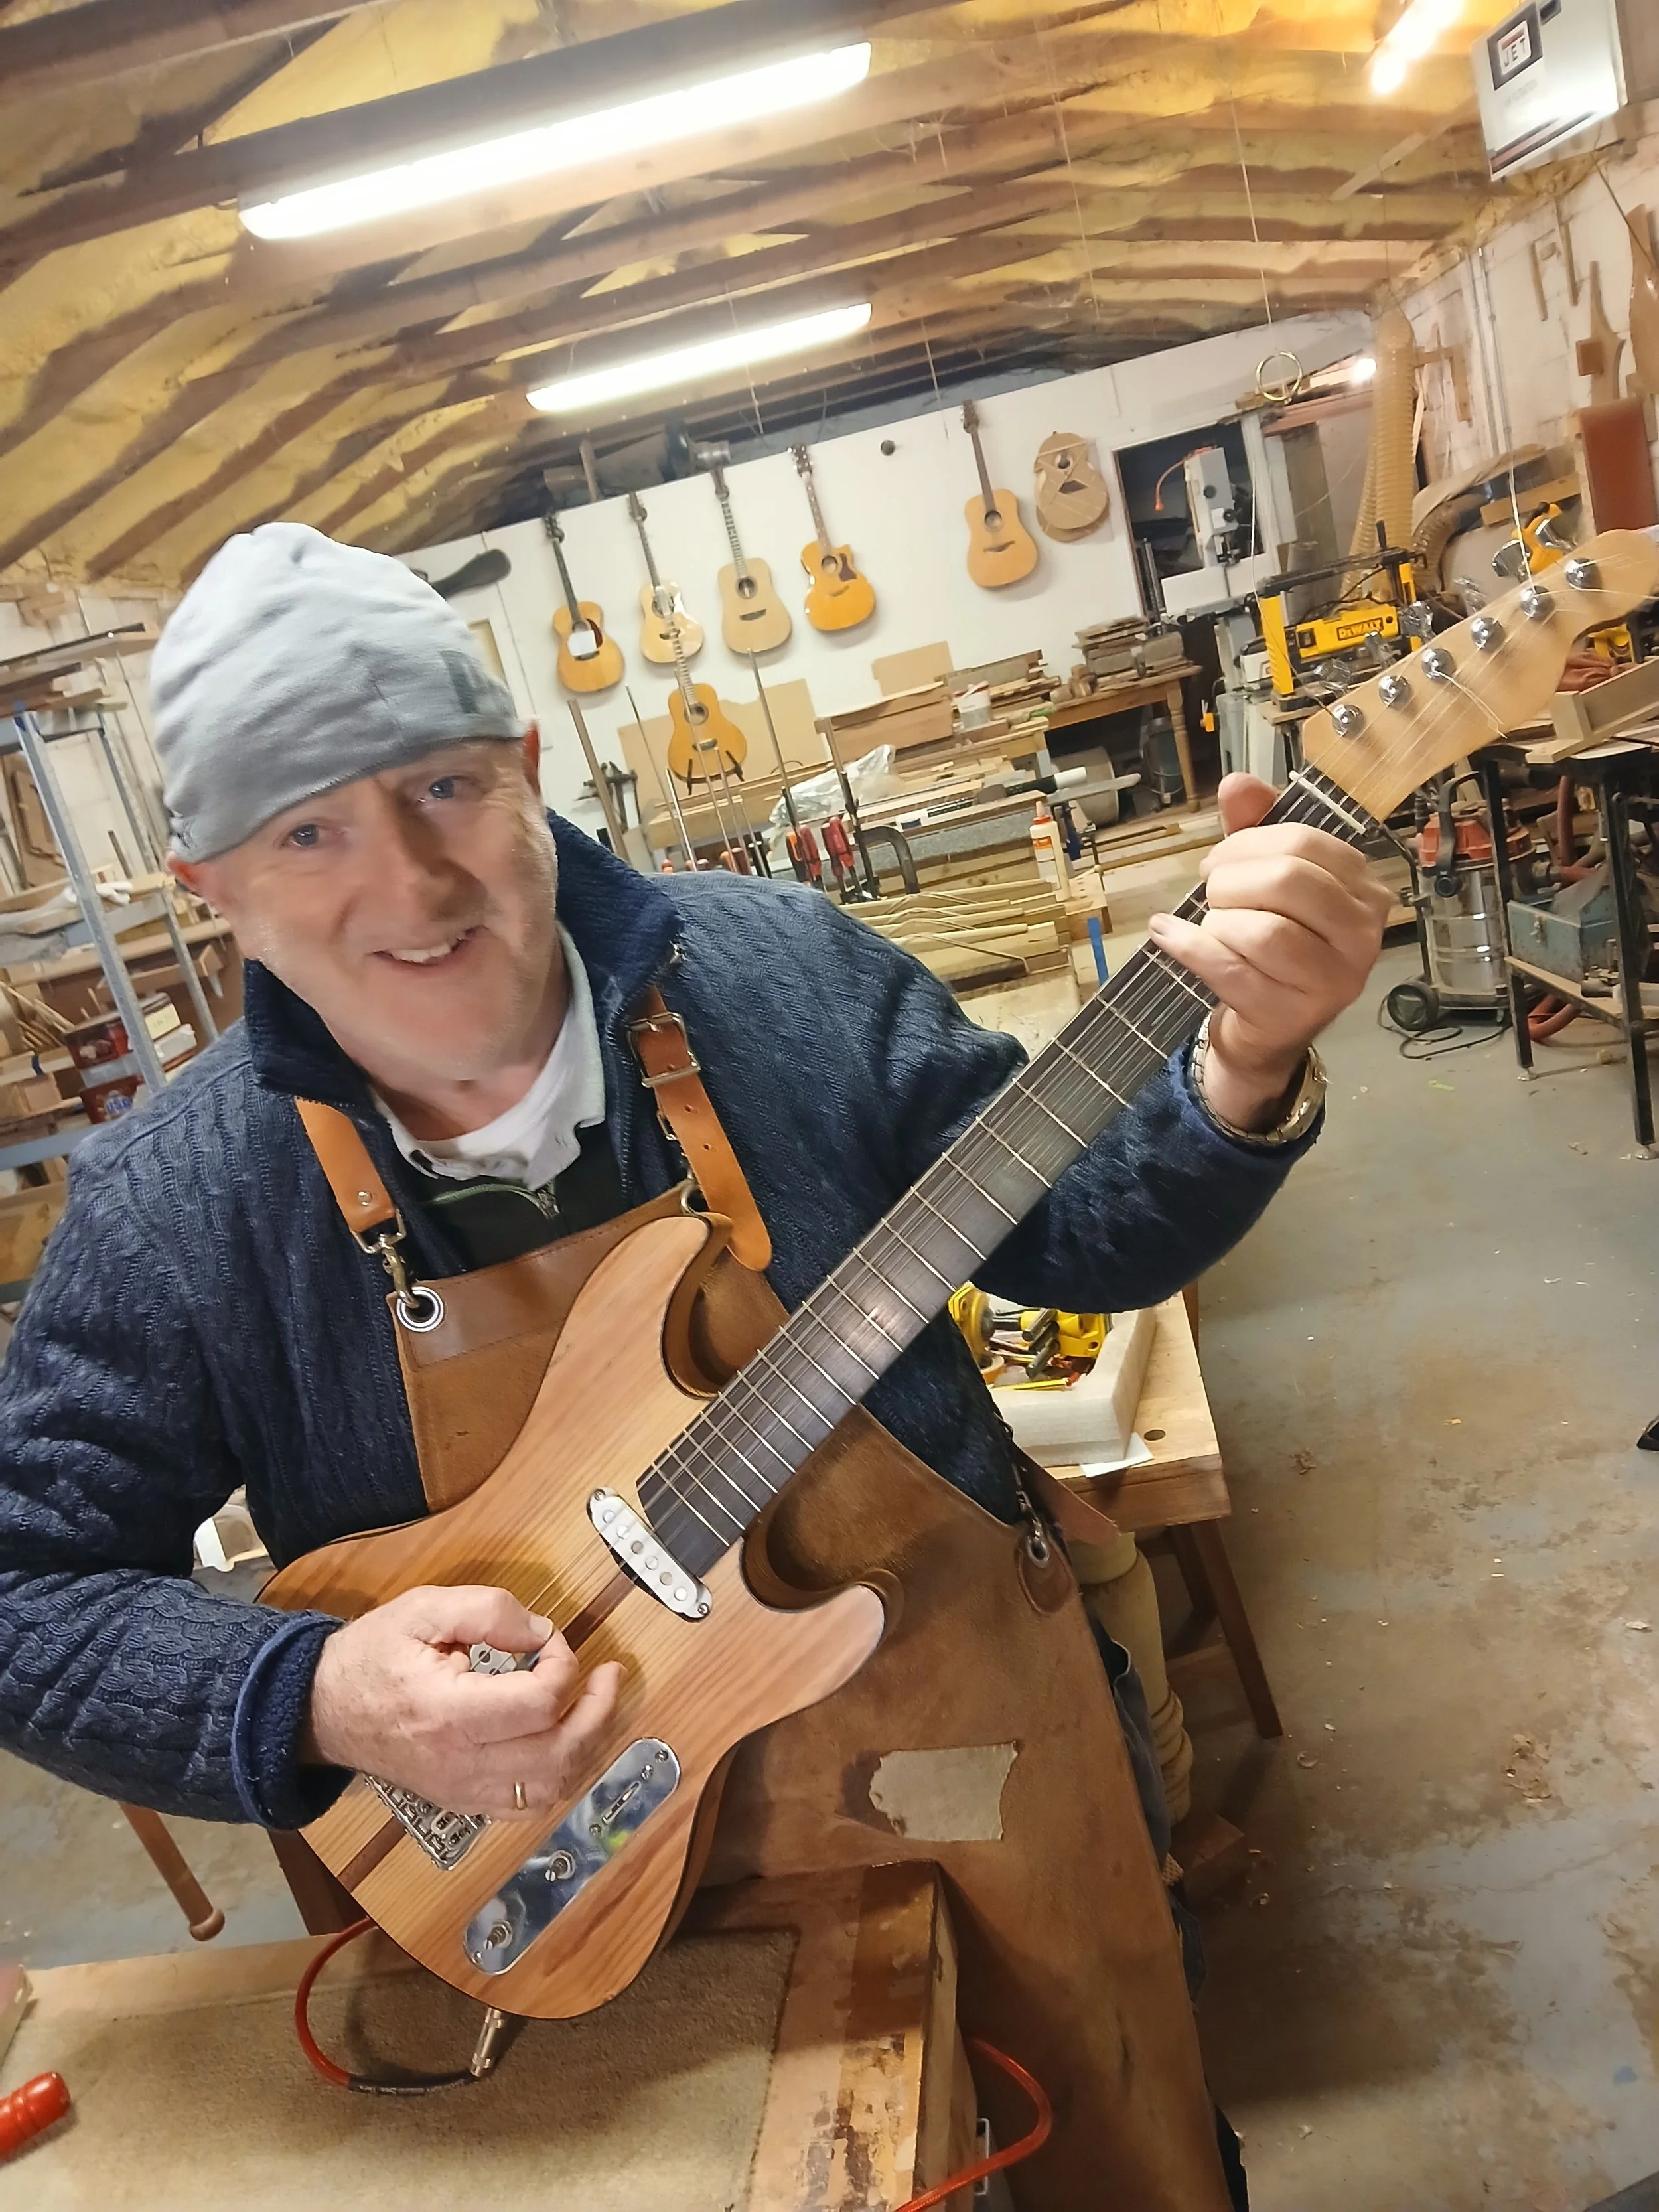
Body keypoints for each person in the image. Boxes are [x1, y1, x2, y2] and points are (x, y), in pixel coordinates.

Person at [0, 523, 1388, 1839]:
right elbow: (22, 1597)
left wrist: (1240, 1065)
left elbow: (1074, 1237)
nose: (415, 888)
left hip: (980, 1756)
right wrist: (310, 1695)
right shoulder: (173, 1210)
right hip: (559, 1884)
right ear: (208, 890)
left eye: (442, 788)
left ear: (525, 766)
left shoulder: (782, 971)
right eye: (308, 834)